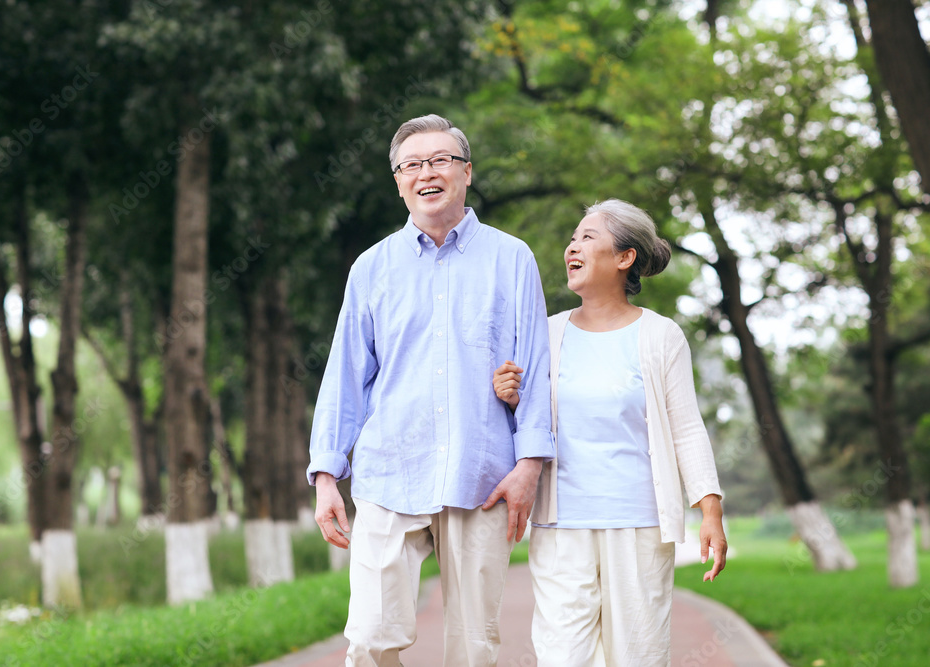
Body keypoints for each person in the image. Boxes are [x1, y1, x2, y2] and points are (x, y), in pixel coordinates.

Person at [308, 114, 554, 667]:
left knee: (474, 648)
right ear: (398, 181)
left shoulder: (511, 258)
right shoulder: (371, 268)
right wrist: (326, 475)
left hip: (482, 472)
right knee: (370, 638)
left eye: (440, 160)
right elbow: (345, 375)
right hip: (389, 471)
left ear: (466, 173)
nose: (427, 173)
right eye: (412, 164)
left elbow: (536, 367)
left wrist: (530, 465)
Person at [492, 198, 727, 667]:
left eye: (587, 237)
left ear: (625, 258)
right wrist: (512, 397)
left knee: (636, 655)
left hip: (637, 524)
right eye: (573, 238)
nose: (571, 247)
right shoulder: (548, 332)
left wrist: (710, 511)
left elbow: (685, 428)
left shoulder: (660, 336)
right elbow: (533, 420)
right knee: (562, 656)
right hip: (560, 525)